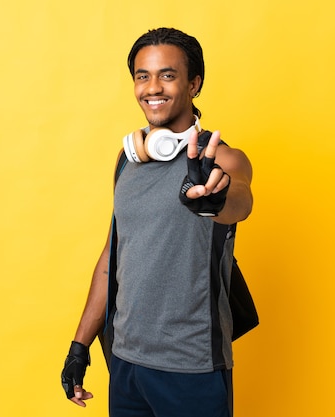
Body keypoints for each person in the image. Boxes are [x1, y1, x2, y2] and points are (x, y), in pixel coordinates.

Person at [61, 27, 253, 417]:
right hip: (126, 361)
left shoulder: (225, 160)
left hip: (192, 366)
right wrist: (80, 345)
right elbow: (113, 255)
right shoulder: (126, 162)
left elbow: (241, 200)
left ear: (194, 83)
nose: (153, 87)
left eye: (167, 75)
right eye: (142, 76)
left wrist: (215, 199)